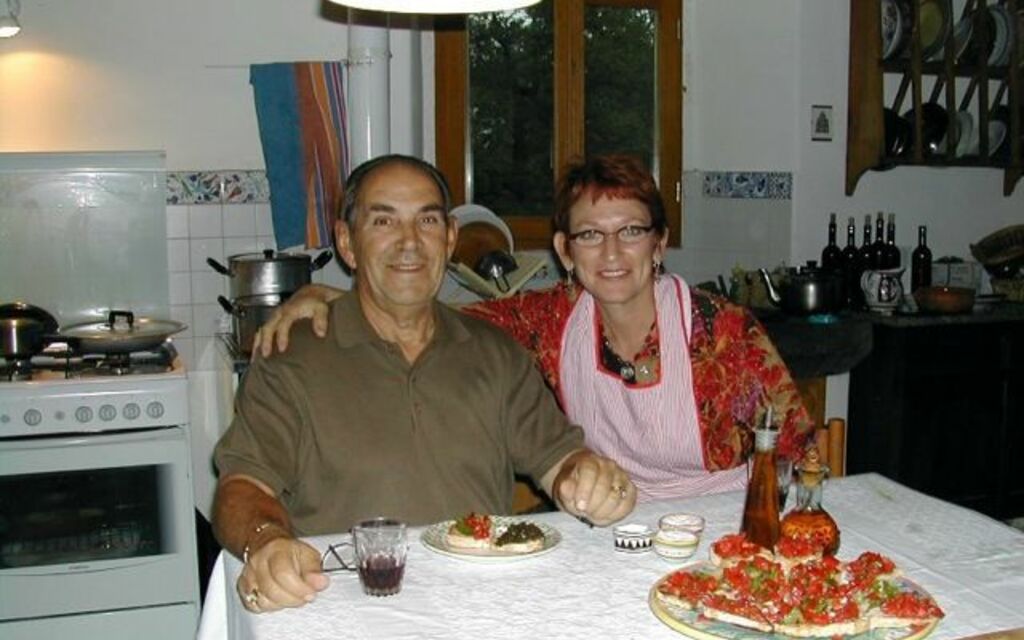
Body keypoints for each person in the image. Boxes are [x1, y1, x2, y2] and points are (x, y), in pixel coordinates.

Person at [212, 154, 635, 614]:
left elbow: (560, 461)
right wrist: (267, 541)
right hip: (343, 609)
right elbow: (242, 487)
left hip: (479, 608)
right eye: (383, 221)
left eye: (427, 220)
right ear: (347, 243)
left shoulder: (495, 352)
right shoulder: (293, 356)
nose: (409, 242)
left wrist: (588, 478)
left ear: (450, 238)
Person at [257, 154, 813, 503]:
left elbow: (803, 455)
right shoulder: (548, 322)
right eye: (591, 235)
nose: (613, 252)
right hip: (611, 536)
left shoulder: (722, 333)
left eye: (632, 231)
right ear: (564, 251)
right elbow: (421, 313)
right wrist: (330, 294)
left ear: (659, 243)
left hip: (726, 532)